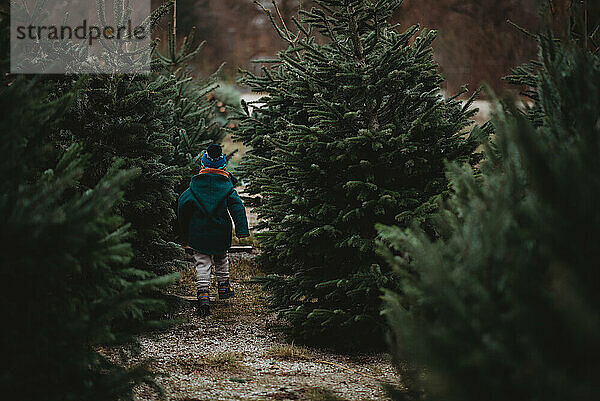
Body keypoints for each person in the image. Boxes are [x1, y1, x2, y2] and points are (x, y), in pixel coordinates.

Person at [177, 144, 249, 316]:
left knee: (202, 263)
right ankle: (223, 287)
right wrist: (242, 230)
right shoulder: (227, 188)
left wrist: (183, 229)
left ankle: (203, 295)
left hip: (199, 233)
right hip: (220, 232)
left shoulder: (193, 188)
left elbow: (182, 204)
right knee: (221, 258)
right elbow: (238, 207)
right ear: (223, 167)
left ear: (202, 165)